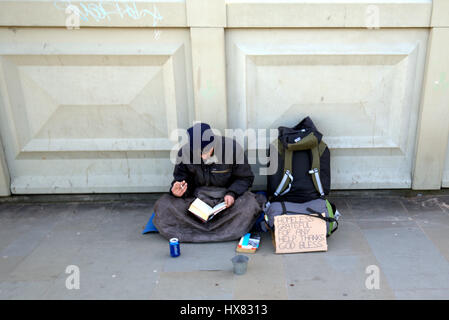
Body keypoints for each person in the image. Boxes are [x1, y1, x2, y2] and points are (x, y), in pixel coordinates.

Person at [153, 123, 265, 242]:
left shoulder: (231, 148)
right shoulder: (184, 152)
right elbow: (181, 179)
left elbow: (245, 178)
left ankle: (194, 231)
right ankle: (223, 230)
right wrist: (178, 191)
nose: (202, 156)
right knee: (164, 205)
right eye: (198, 152)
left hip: (226, 200)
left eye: (205, 151)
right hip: (196, 200)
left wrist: (232, 193)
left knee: (249, 205)